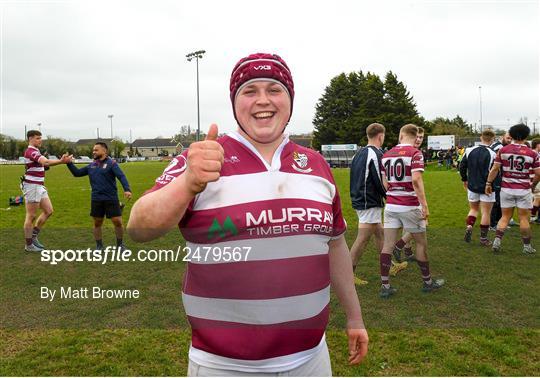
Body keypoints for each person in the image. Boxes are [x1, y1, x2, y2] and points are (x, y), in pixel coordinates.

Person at [127, 53, 368, 376]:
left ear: (290, 100)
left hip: (310, 359)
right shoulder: (204, 159)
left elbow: (335, 245)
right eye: (250, 91)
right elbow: (139, 227)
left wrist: (354, 317)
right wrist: (187, 184)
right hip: (224, 365)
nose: (263, 100)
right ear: (235, 102)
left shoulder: (316, 165)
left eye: (274, 89)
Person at [379, 124, 444, 298]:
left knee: (387, 245)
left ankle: (385, 286)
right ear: (415, 137)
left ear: (401, 135)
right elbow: (416, 180)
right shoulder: (415, 153)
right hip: (410, 205)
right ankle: (428, 283)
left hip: (391, 206)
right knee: (421, 244)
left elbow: (384, 182)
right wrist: (425, 205)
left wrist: (394, 193)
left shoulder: (386, 155)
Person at [66, 142, 132, 250]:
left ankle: (120, 245)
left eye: (96, 150)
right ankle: (99, 246)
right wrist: (69, 163)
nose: (94, 152)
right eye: (93, 150)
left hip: (111, 198)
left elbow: (121, 176)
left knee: (117, 222)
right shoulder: (92, 165)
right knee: (97, 223)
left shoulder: (112, 163)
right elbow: (77, 173)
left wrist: (127, 189)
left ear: (104, 151)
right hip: (96, 199)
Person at [486, 124, 540, 254]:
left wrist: (488, 183)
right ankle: (527, 247)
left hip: (506, 189)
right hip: (523, 190)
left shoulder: (503, 150)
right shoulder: (532, 153)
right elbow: (538, 173)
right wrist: (532, 185)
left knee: (504, 217)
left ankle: (497, 241)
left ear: (512, 135)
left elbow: (495, 169)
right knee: (523, 218)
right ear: (526, 136)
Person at [22, 130, 71, 252]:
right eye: (37, 138)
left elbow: (43, 166)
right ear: (30, 139)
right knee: (31, 216)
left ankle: (33, 236)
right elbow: (46, 162)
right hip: (32, 186)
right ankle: (28, 245)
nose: (40, 140)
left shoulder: (36, 151)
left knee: (48, 211)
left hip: (38, 186)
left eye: (40, 138)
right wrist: (61, 161)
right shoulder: (31, 151)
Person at [349, 123, 386, 285]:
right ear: (380, 136)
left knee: (380, 233)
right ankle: (348, 275)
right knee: (363, 238)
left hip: (362, 199)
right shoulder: (375, 154)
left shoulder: (359, 153)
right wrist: (389, 196)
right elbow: (379, 180)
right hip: (368, 201)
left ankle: (388, 265)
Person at [390, 126, 425, 273]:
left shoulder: (413, 152)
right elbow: (415, 180)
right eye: (417, 137)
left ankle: (407, 250)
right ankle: (399, 245)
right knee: (422, 224)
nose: (418, 139)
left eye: (421, 138)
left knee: (409, 225)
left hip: (401, 198)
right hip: (406, 198)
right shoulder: (411, 153)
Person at [459, 130, 497, 246]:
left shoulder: (469, 150)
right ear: (492, 140)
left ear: (481, 138)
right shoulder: (493, 153)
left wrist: (464, 179)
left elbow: (462, 166)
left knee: (474, 209)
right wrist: (492, 184)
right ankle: (483, 239)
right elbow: (495, 171)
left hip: (472, 185)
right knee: (486, 212)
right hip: (487, 187)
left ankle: (469, 226)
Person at [489, 132, 512, 230]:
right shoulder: (499, 147)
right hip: (496, 177)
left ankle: (500, 222)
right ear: (502, 137)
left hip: (501, 177)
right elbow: (494, 164)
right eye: (508, 138)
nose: (509, 140)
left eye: (511, 139)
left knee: (501, 201)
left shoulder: (502, 146)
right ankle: (492, 224)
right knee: (496, 201)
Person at [531, 139, 540, 223]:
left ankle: (533, 216)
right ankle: (532, 216)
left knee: (536, 198)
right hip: (535, 178)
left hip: (534, 178)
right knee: (537, 198)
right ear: (537, 145)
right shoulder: (535, 153)